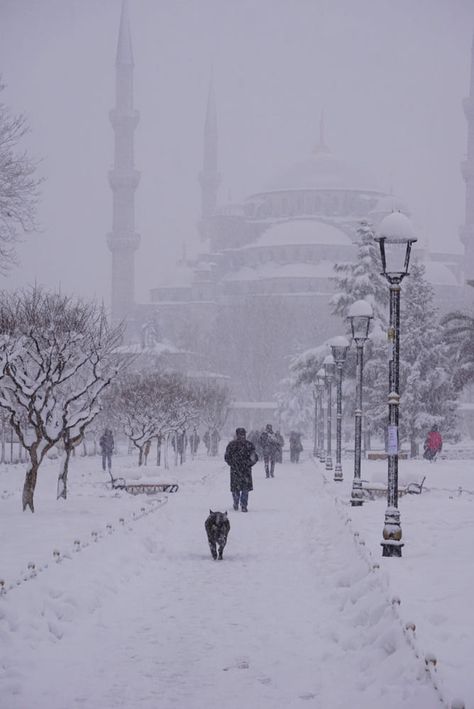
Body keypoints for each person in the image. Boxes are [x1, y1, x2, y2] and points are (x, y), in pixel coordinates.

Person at [224, 427, 258, 512]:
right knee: (243, 488)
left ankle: (240, 504)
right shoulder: (248, 445)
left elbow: (227, 457)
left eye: (243, 434)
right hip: (243, 470)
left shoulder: (232, 445)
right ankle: (242, 504)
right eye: (241, 434)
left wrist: (233, 464)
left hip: (237, 470)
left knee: (238, 489)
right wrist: (248, 464)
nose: (242, 436)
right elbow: (254, 458)